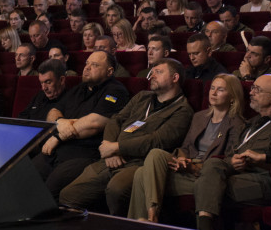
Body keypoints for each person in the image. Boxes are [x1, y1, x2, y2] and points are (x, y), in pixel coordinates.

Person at [58, 58, 193, 215]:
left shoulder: (182, 110)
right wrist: (109, 145)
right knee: (67, 196)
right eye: (152, 72)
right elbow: (115, 119)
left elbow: (156, 141)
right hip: (110, 158)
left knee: (116, 190)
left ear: (175, 78)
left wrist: (117, 147)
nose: (152, 75)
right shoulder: (142, 97)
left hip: (139, 163)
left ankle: (120, 228)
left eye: (158, 72)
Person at [191, 74, 271, 230]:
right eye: (252, 88)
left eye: (257, 90)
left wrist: (265, 157)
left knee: (207, 187)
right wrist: (232, 162)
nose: (251, 92)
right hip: (238, 175)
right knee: (212, 165)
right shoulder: (249, 124)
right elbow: (229, 156)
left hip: (266, 180)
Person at [129, 74, 246, 222]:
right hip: (186, 166)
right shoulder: (199, 117)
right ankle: (150, 218)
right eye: (212, 88)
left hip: (204, 177)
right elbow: (185, 147)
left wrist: (194, 167)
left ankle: (148, 221)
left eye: (220, 90)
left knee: (143, 174)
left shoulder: (237, 124)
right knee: (152, 158)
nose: (214, 93)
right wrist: (182, 159)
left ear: (232, 97)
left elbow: (228, 160)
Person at [34, 51, 130, 198]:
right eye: (87, 63)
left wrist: (58, 136)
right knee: (25, 175)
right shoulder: (79, 88)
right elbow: (53, 111)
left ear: (109, 71)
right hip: (59, 149)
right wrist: (61, 122)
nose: (87, 68)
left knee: (48, 190)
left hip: (85, 154)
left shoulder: (116, 91)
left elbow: (94, 123)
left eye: (95, 65)